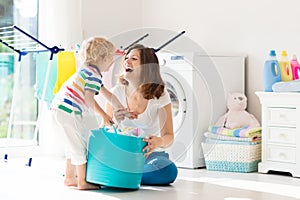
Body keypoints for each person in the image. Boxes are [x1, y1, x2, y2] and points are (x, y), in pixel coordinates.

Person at [51, 37, 126, 190]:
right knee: (79, 147)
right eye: (111, 58)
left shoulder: (88, 71)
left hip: (59, 108)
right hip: (69, 111)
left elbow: (107, 94)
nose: (112, 62)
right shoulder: (94, 74)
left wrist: (121, 107)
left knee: (72, 145)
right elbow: (89, 99)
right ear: (103, 58)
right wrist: (104, 115)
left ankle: (70, 178)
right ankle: (82, 182)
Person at [106, 44, 178, 185]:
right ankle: (128, 174)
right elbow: (105, 129)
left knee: (168, 170)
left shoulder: (160, 96)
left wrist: (159, 141)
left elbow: (169, 136)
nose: (127, 61)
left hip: (148, 156)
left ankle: (122, 175)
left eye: (134, 58)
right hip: (122, 154)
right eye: (126, 58)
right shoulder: (116, 92)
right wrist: (115, 120)